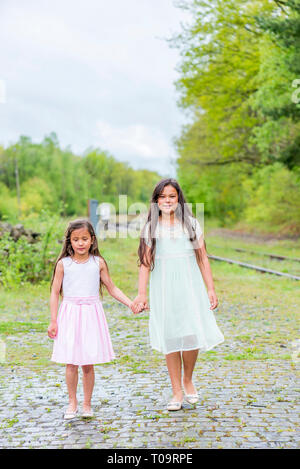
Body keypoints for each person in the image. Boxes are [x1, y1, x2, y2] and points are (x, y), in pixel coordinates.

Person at [132, 178, 224, 411]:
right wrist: (141, 294)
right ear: (156, 201)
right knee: (170, 336)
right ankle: (176, 391)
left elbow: (202, 258)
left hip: (189, 285)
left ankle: (188, 379)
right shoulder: (151, 226)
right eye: (162, 197)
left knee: (191, 332)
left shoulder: (191, 224)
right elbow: (145, 263)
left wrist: (210, 288)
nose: (167, 201)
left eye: (171, 196)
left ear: (178, 199)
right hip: (163, 287)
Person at [48, 218, 141, 419]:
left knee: (88, 363)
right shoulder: (63, 264)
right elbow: (55, 292)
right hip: (70, 314)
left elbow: (112, 287)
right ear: (69, 242)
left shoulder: (98, 263)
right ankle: (72, 403)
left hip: (91, 315)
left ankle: (87, 404)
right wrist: (53, 320)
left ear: (92, 240)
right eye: (75, 239)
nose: (80, 243)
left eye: (84, 239)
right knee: (71, 362)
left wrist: (130, 303)